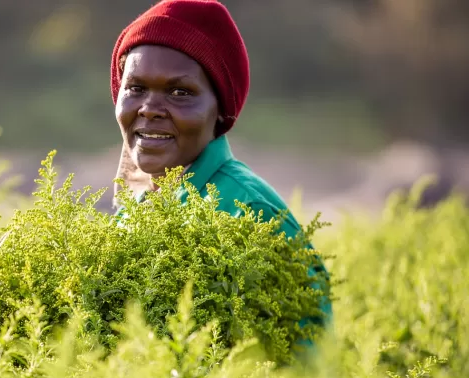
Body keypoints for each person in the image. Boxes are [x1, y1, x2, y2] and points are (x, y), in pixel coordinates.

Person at [109, 0, 332, 346]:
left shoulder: (252, 213)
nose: (149, 109)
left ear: (219, 110)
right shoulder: (130, 211)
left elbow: (308, 371)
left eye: (180, 92)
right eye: (135, 88)